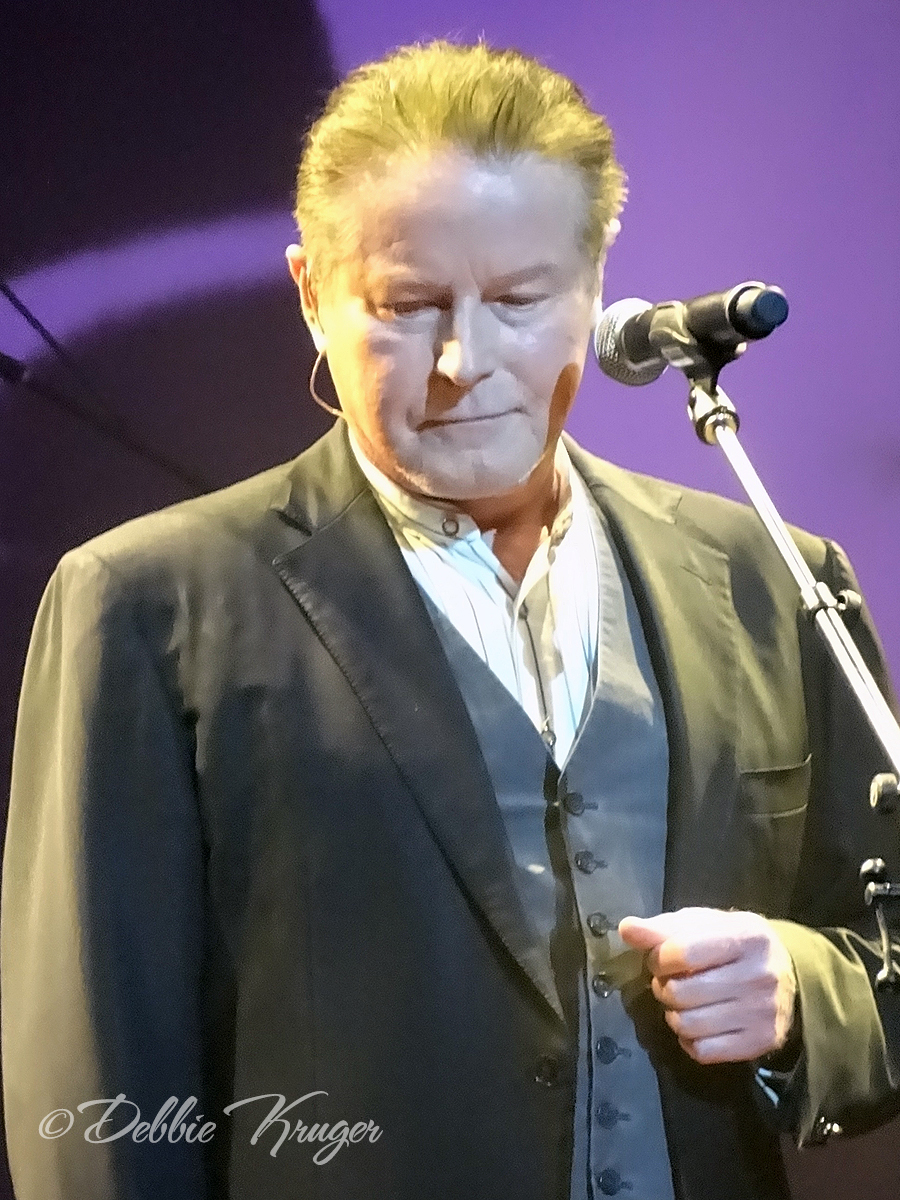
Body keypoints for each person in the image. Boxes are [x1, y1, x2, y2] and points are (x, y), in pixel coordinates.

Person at [2, 39, 899, 1200]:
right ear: (311, 294)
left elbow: (883, 963)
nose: (464, 362)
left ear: (594, 288)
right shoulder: (147, 605)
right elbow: (94, 1099)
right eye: (409, 306)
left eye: (520, 301)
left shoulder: (769, 576)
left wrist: (798, 990)